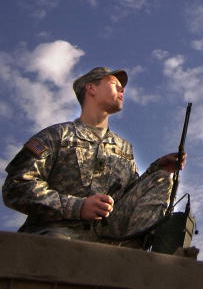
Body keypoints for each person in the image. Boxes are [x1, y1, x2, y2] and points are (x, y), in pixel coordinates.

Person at [2, 67, 186, 245]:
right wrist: (78, 206)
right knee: (59, 248)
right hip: (57, 234)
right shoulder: (57, 135)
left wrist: (157, 168)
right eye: (114, 83)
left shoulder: (123, 148)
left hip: (110, 237)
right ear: (91, 88)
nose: (122, 89)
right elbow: (16, 187)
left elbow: (128, 195)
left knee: (161, 179)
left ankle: (137, 254)